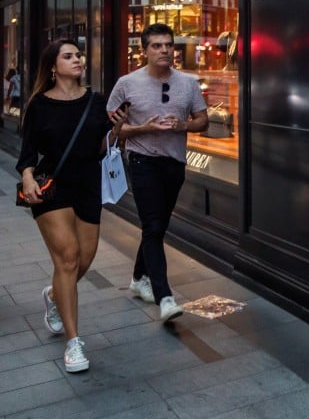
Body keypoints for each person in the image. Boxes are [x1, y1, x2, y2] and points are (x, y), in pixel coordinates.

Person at [16, 40, 127, 373]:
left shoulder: (95, 101)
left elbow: (101, 147)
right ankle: (73, 342)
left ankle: (54, 294)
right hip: (52, 186)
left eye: (78, 55)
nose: (78, 59)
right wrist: (27, 177)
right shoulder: (38, 104)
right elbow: (28, 153)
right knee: (67, 257)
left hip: (88, 185)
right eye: (69, 56)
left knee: (85, 257)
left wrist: (117, 129)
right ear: (53, 66)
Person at [106, 23, 208, 322]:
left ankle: (139, 278)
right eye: (157, 46)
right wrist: (144, 128)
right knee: (152, 225)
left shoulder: (188, 83)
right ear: (145, 51)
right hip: (142, 161)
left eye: (168, 45)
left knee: (157, 226)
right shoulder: (126, 84)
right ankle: (165, 297)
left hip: (174, 163)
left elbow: (203, 120)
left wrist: (183, 126)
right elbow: (113, 131)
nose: (165, 50)